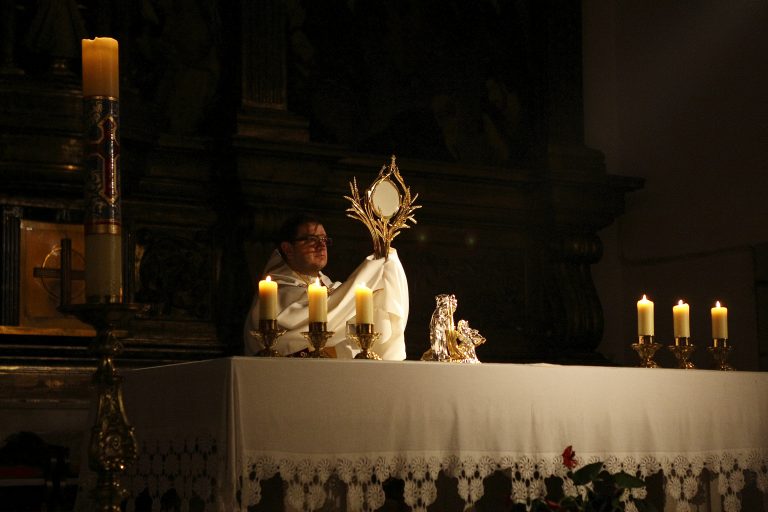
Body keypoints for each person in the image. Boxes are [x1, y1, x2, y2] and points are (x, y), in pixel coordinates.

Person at [243, 213, 408, 359]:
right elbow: (329, 314)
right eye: (311, 239)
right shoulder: (278, 291)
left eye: (324, 240)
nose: (321, 245)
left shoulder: (332, 288)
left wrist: (382, 281)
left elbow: (342, 313)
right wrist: (371, 272)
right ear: (288, 249)